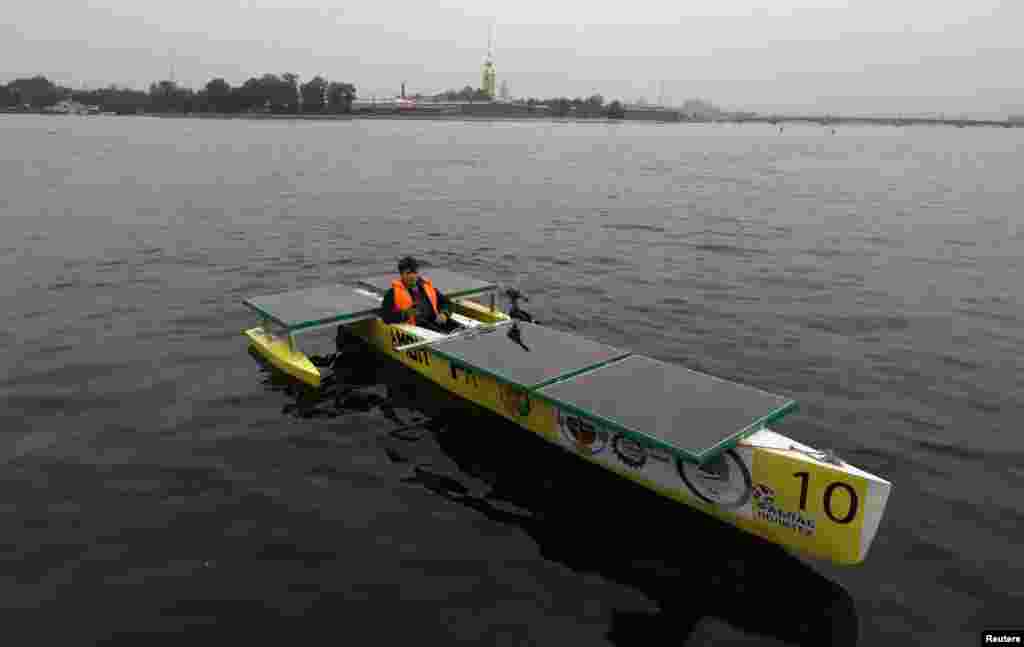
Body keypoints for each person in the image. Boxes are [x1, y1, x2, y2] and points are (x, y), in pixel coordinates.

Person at [379, 257, 456, 332]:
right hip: (416, 328)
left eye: (415, 272)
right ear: (401, 275)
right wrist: (405, 314)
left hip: (435, 321)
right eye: (408, 273)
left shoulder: (427, 287)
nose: (412, 276)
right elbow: (386, 317)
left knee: (459, 328)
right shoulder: (392, 293)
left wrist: (444, 314)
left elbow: (447, 303)